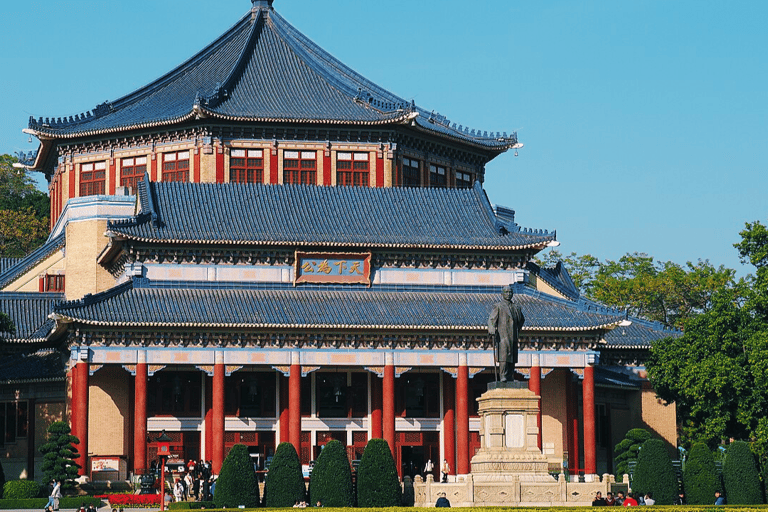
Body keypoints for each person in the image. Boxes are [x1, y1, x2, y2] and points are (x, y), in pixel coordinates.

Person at [488, 285, 525, 382]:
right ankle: (503, 376)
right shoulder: (498, 306)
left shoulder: (516, 307)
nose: (508, 294)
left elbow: (521, 320)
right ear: (502, 294)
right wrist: (492, 330)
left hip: (513, 335)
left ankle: (510, 376)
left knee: (512, 357)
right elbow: (492, 320)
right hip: (502, 335)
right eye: (506, 292)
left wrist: (517, 329)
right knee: (504, 356)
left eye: (510, 292)